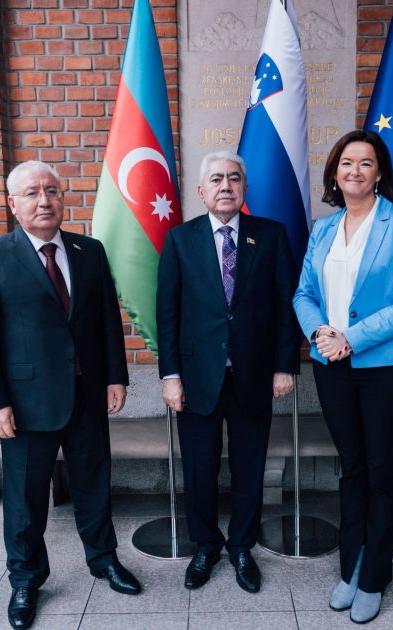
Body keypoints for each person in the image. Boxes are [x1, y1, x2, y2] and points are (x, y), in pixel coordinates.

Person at [0, 160, 141, 629]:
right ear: (13, 203)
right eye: (32, 193)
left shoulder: (89, 251)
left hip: (86, 394)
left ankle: (103, 559)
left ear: (62, 198)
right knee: (24, 499)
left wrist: (115, 376)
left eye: (52, 191)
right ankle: (25, 579)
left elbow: (106, 319)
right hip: (24, 405)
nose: (44, 200)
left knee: (93, 482)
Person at [293, 129, 393, 623]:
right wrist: (320, 333)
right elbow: (304, 293)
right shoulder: (323, 228)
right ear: (335, 173)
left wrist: (351, 337)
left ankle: (375, 575)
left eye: (365, 163)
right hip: (332, 367)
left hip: (384, 367)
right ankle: (350, 566)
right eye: (346, 163)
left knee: (379, 470)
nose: (355, 170)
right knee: (350, 468)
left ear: (379, 174)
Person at [157, 150, 300, 593]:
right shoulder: (180, 239)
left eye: (234, 178)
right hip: (197, 378)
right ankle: (205, 546)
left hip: (253, 375)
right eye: (217, 179)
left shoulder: (271, 235)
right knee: (199, 470)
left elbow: (285, 305)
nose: (226, 186)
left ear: (245, 188)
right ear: (202, 191)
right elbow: (168, 313)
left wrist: (284, 366)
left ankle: (241, 547)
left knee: (249, 467)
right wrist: (170, 375)